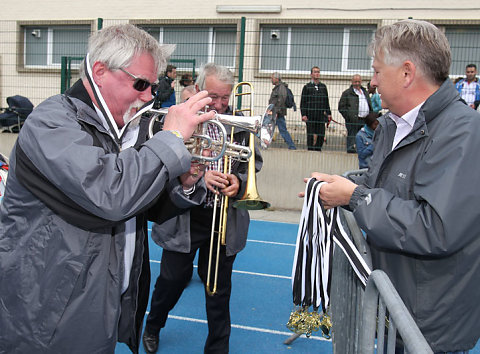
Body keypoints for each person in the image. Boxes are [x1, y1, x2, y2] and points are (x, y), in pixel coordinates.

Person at [0, 24, 216, 353]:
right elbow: (110, 196)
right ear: (100, 71)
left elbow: (142, 207)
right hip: (46, 316)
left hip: (101, 305)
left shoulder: (122, 128)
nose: (148, 96)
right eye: (140, 84)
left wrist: (184, 183)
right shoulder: (51, 122)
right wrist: (170, 141)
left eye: (153, 87)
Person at [306, 20, 480, 352]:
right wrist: (340, 185)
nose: (372, 82)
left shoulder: (464, 133)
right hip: (395, 308)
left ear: (406, 73)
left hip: (430, 323)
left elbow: (435, 228)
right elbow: (384, 184)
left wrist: (355, 197)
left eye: (376, 71)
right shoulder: (391, 124)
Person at [143, 63, 263, 354]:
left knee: (219, 290)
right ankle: (152, 326)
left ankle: (218, 349)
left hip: (224, 217)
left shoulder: (238, 123)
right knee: (171, 281)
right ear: (198, 90)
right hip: (183, 216)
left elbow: (252, 161)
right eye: (214, 96)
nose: (221, 104)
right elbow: (160, 166)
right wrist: (198, 176)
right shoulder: (179, 119)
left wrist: (239, 180)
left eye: (225, 97)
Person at [338, 74, 373, 153]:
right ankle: (351, 152)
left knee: (364, 138)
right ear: (352, 82)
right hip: (353, 120)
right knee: (352, 138)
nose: (357, 83)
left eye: (359, 81)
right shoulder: (347, 93)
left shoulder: (365, 92)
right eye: (355, 82)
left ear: (361, 82)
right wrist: (349, 116)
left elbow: (369, 104)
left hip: (365, 120)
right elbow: (341, 107)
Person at [300, 66, 332, 151]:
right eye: (315, 72)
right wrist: (303, 114)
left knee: (321, 133)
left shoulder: (323, 87)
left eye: (318, 72)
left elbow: (326, 101)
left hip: (320, 115)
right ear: (311, 74)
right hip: (310, 115)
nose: (317, 73)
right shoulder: (307, 87)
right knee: (310, 134)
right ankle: (310, 149)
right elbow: (303, 102)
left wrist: (329, 113)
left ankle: (318, 149)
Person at [269, 72, 296, 150]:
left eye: (272, 78)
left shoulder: (281, 88)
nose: (271, 80)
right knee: (271, 129)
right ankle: (265, 144)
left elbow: (281, 100)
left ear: (277, 79)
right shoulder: (279, 87)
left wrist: (277, 112)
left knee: (282, 130)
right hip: (275, 112)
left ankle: (292, 146)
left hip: (277, 113)